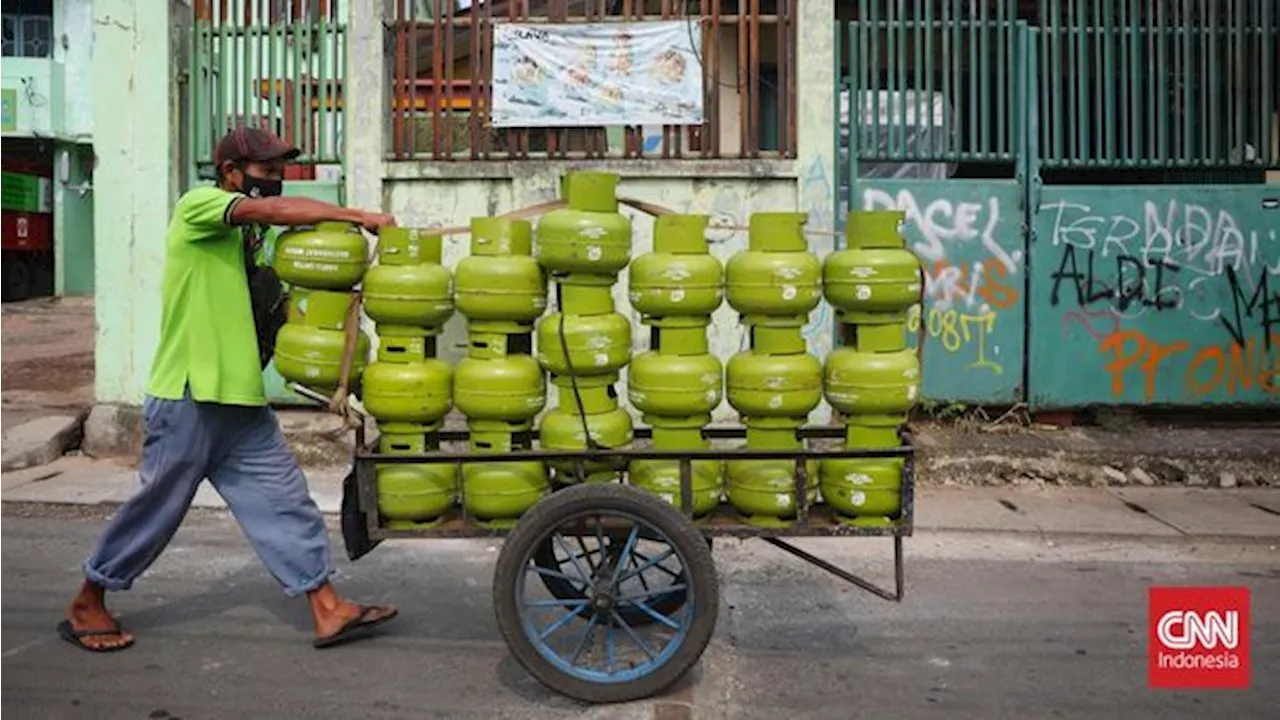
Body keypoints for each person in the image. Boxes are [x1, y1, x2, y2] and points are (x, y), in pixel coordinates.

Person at [58, 127, 398, 652]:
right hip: (191, 394)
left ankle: (327, 608)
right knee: (158, 509)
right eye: (264, 170)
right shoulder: (199, 207)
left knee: (286, 501)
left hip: (240, 401)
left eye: (279, 169)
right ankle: (88, 599)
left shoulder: (252, 244)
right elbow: (264, 211)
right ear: (230, 174)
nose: (275, 180)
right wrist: (356, 216)